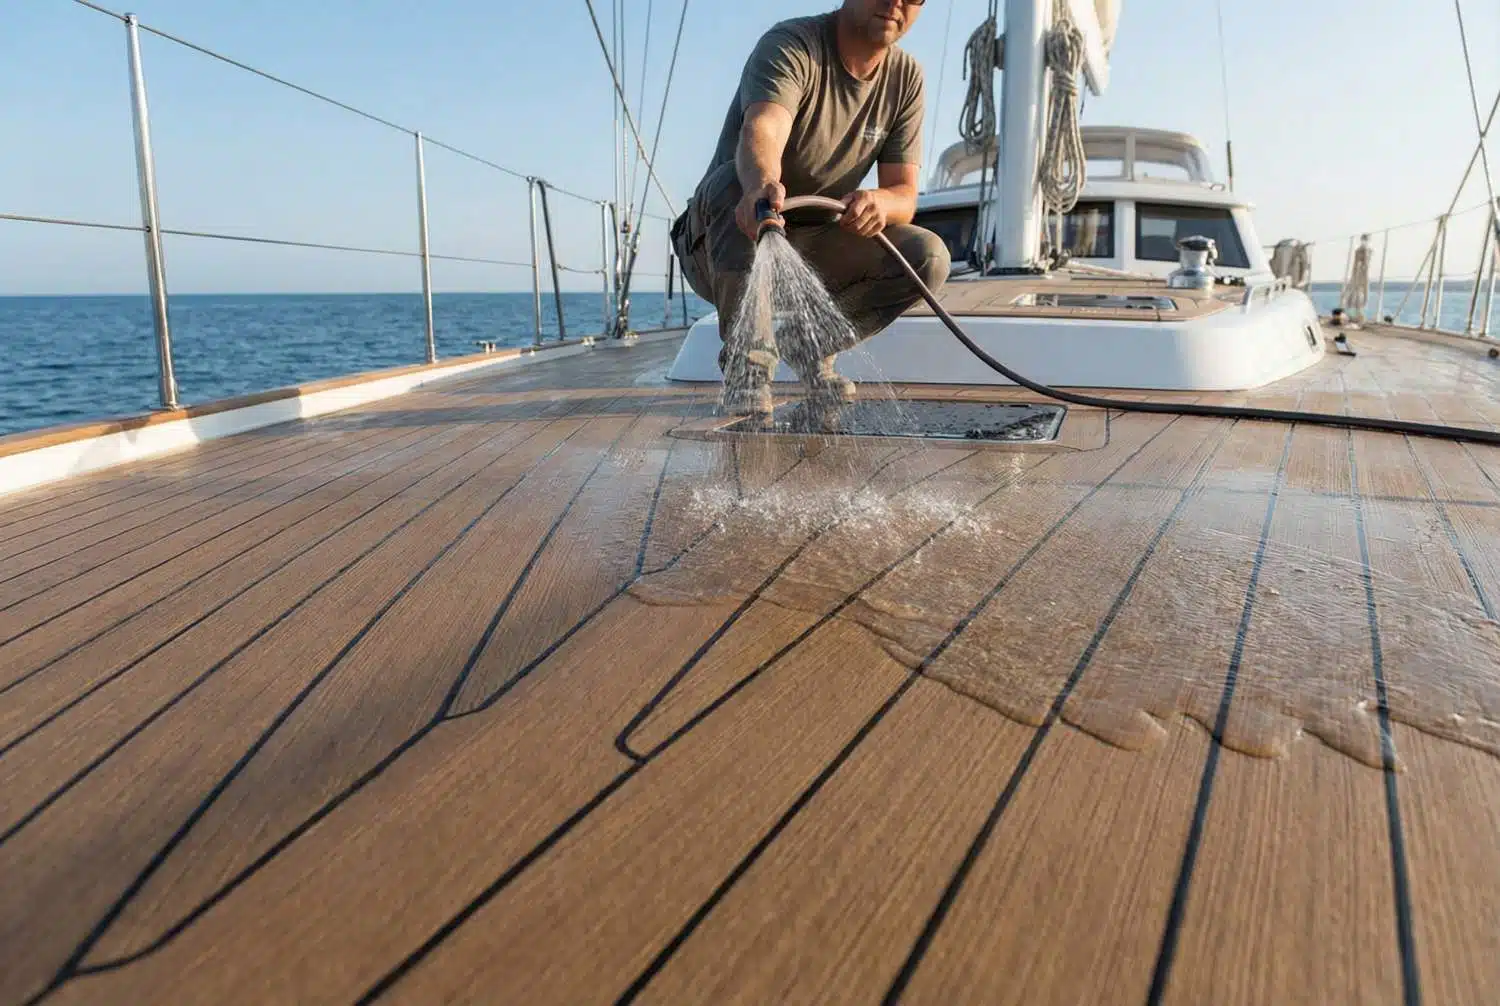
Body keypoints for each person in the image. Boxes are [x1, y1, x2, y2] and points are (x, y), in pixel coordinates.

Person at [670, 0, 951, 415]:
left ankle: (809, 347)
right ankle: (749, 371)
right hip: (722, 235)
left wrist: (879, 203)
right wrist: (761, 185)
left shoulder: (906, 78)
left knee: (929, 258)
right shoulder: (793, 44)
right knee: (737, 181)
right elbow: (764, 126)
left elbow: (904, 195)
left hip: (812, 241)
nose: (897, 2)